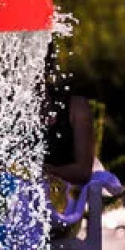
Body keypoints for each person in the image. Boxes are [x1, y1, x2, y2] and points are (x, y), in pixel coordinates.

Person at [42, 51, 96, 188]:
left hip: (63, 194)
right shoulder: (2, 111)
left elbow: (83, 171)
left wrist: (49, 171)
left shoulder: (75, 107)